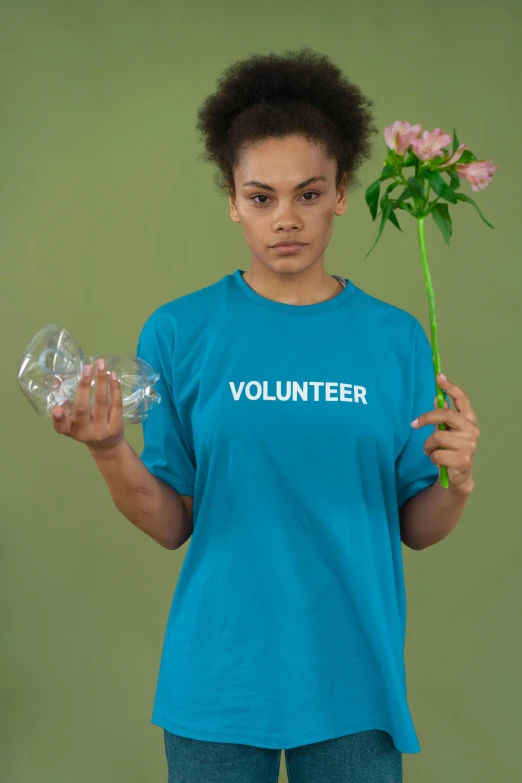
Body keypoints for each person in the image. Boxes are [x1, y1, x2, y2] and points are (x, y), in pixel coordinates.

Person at [52, 47, 447, 783]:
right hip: (219, 678)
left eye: (309, 193)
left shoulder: (396, 339)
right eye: (261, 197)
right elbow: (174, 522)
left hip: (355, 680)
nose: (285, 219)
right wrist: (108, 449)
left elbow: (418, 526)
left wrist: (458, 479)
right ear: (232, 199)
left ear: (342, 193)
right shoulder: (178, 332)